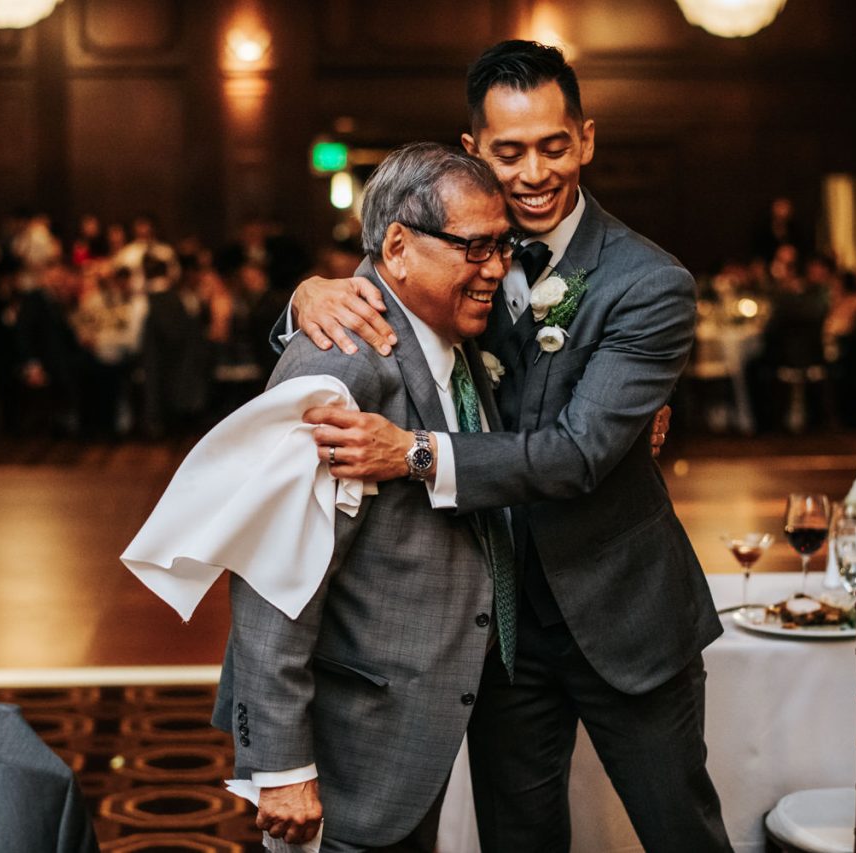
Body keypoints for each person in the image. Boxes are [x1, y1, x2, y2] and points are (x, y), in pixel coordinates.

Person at [286, 40, 729, 852]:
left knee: (681, 832)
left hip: (622, 611)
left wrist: (416, 453)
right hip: (495, 629)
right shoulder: (453, 248)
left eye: (553, 147)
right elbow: (380, 295)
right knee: (518, 838)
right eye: (509, 152)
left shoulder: (647, 282)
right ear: (473, 150)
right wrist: (304, 298)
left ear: (585, 139)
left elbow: (580, 451)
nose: (533, 174)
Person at [214, 142, 513, 851]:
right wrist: (281, 764)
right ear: (399, 248)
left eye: (503, 247)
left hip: (416, 721)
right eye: (476, 248)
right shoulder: (342, 364)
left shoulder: (450, 334)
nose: (497, 269)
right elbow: (272, 570)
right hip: (351, 748)